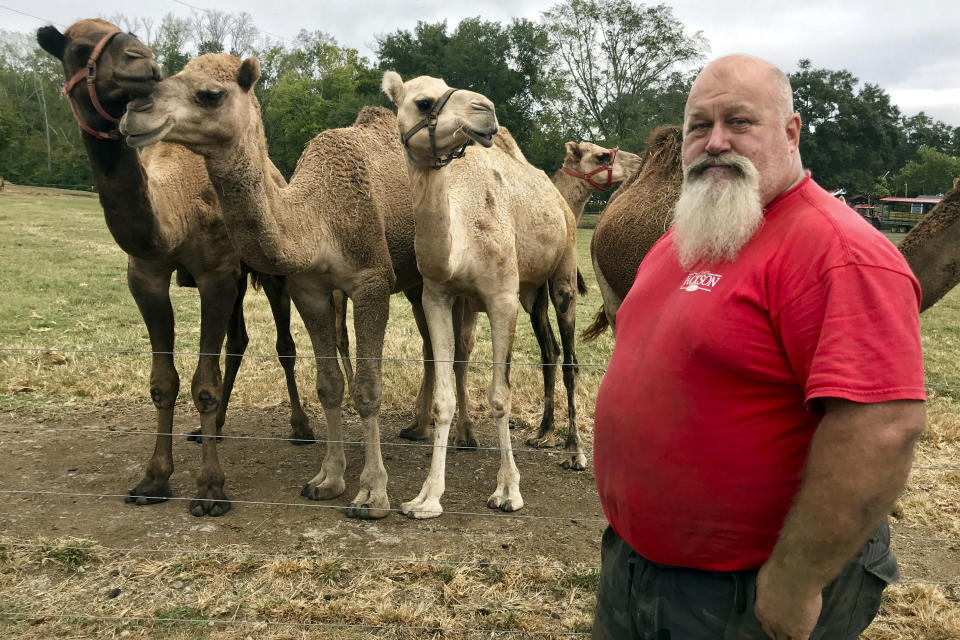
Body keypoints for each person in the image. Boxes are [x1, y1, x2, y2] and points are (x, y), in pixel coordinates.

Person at [591, 54, 926, 640]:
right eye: (700, 125)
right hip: (637, 568)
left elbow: (882, 428)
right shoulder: (685, 238)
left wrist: (795, 582)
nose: (716, 141)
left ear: (791, 132)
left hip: (746, 590)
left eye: (739, 123)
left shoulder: (839, 253)